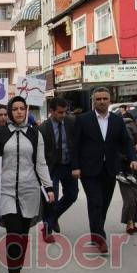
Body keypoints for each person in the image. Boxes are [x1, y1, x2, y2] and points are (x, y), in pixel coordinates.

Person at [0, 96, 54, 273]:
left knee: (23, 234)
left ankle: (18, 269)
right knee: (13, 231)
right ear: (9, 112)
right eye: (14, 109)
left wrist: (49, 187)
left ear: (26, 111)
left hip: (29, 189)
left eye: (21, 109)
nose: (18, 112)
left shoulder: (35, 134)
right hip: (5, 189)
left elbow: (41, 163)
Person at [71, 87, 137, 254]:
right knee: (96, 202)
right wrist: (75, 167)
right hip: (89, 170)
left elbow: (126, 142)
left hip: (110, 168)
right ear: (93, 101)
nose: (101, 101)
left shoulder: (117, 121)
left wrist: (133, 159)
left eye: (105, 99)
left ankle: (95, 233)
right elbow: (75, 145)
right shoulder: (83, 120)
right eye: (98, 99)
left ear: (110, 101)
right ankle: (100, 237)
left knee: (104, 203)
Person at [38, 97, 78, 242]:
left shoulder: (71, 122)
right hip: (51, 168)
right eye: (60, 112)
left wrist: (77, 166)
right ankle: (47, 228)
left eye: (65, 112)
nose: (63, 115)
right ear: (51, 111)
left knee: (72, 194)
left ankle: (54, 217)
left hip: (68, 166)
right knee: (50, 199)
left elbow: (76, 146)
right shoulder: (42, 128)